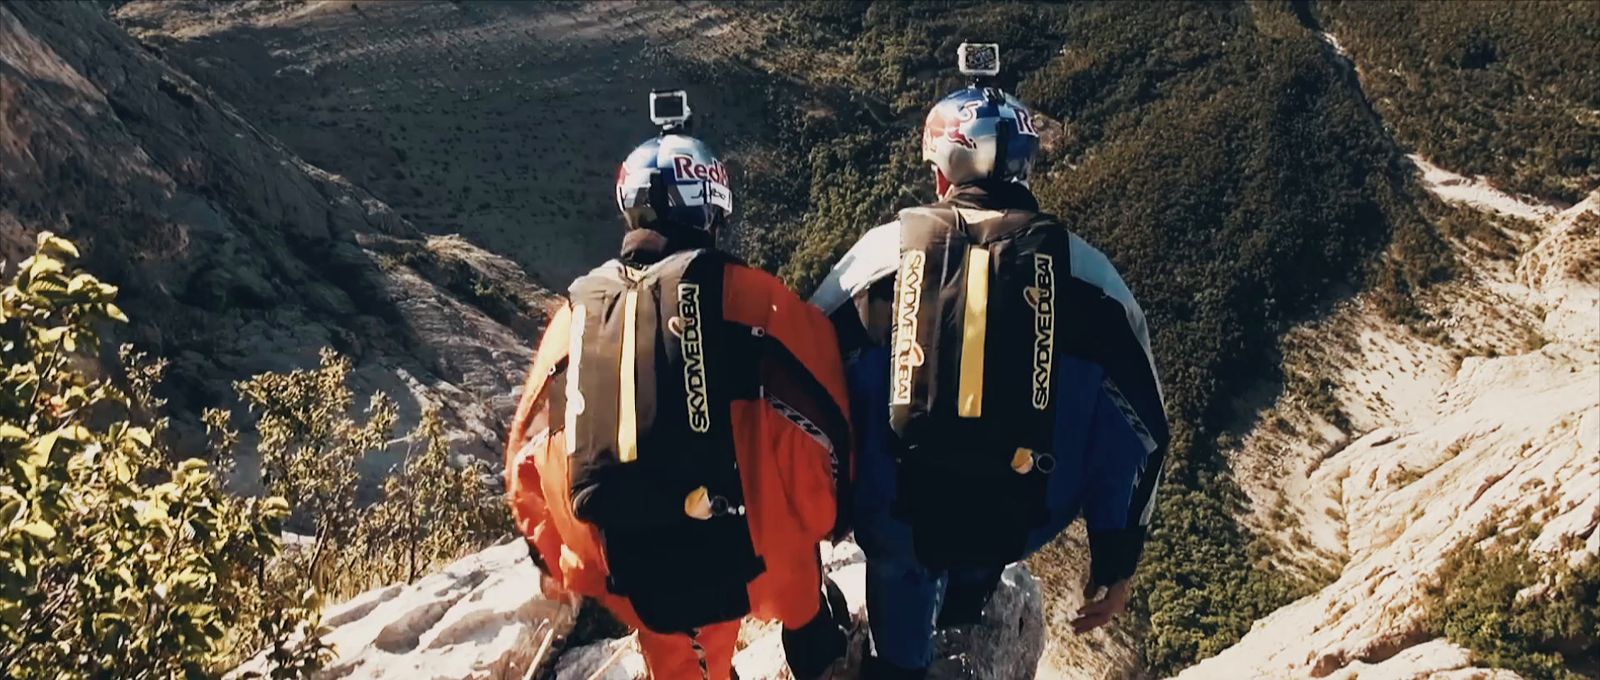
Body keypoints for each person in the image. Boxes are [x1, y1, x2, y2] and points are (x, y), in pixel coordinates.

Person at [809, 53, 1169, 679]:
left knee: (902, 555)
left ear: (941, 174)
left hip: (900, 517)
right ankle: (967, 601)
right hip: (1021, 514)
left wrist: (823, 512)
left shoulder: (878, 259)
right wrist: (1114, 561)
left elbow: (806, 375)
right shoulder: (1093, 281)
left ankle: (900, 659)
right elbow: (1141, 433)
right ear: (1026, 165)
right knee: (1004, 489)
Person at [506, 100, 852, 680]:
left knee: (681, 656)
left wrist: (565, 556)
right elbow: (827, 422)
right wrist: (827, 519)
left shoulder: (574, 315)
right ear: (713, 213)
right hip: (750, 557)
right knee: (791, 545)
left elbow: (525, 454)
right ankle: (811, 637)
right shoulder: (753, 297)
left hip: (625, 567)